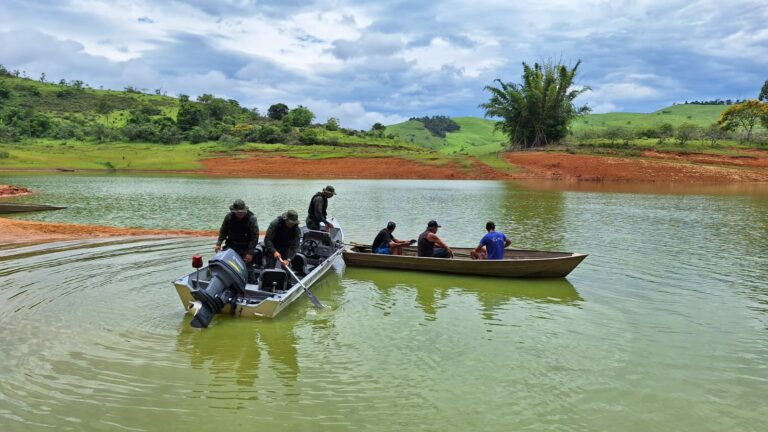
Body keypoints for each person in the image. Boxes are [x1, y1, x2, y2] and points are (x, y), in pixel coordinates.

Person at [215, 199, 259, 264]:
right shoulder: (229, 217)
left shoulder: (251, 219)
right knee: (222, 262)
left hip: (245, 247)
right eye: (238, 212)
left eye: (242, 212)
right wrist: (219, 243)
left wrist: (250, 253)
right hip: (231, 245)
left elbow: (254, 238)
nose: (240, 214)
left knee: (248, 268)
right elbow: (223, 231)